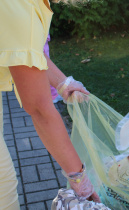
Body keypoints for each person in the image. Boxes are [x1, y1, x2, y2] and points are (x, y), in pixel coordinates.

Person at [0, 1, 100, 209]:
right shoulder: (19, 7)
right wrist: (80, 178)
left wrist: (63, 83)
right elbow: (39, 109)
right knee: (4, 188)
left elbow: (30, 52)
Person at [44, 34, 64, 103]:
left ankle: (52, 93)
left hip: (41, 38)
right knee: (46, 67)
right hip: (40, 39)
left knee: (46, 66)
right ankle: (53, 94)